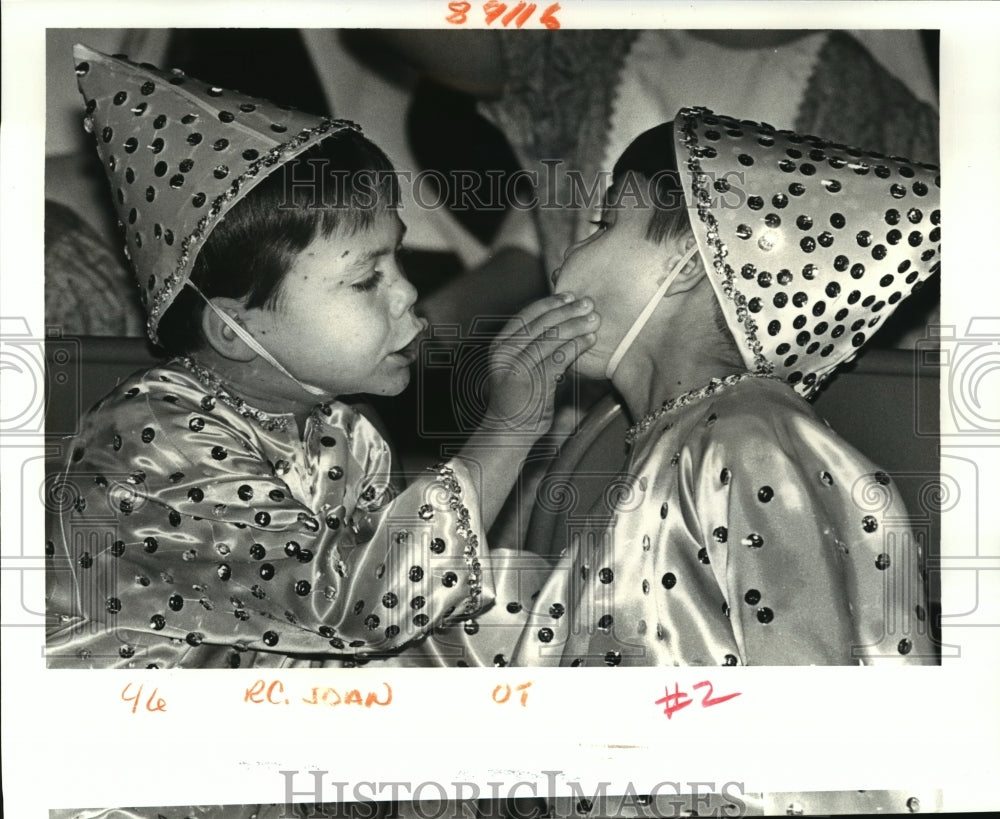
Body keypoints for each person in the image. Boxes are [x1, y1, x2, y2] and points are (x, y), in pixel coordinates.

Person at [45, 46, 599, 668]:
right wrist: (510, 428)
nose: (410, 292)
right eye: (366, 279)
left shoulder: (346, 429)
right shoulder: (151, 440)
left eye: (399, 259)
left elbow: (390, 627)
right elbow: (355, 607)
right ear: (232, 328)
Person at [506, 107, 940, 666]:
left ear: (686, 261)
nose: (570, 252)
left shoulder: (745, 443)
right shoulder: (677, 436)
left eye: (605, 222)